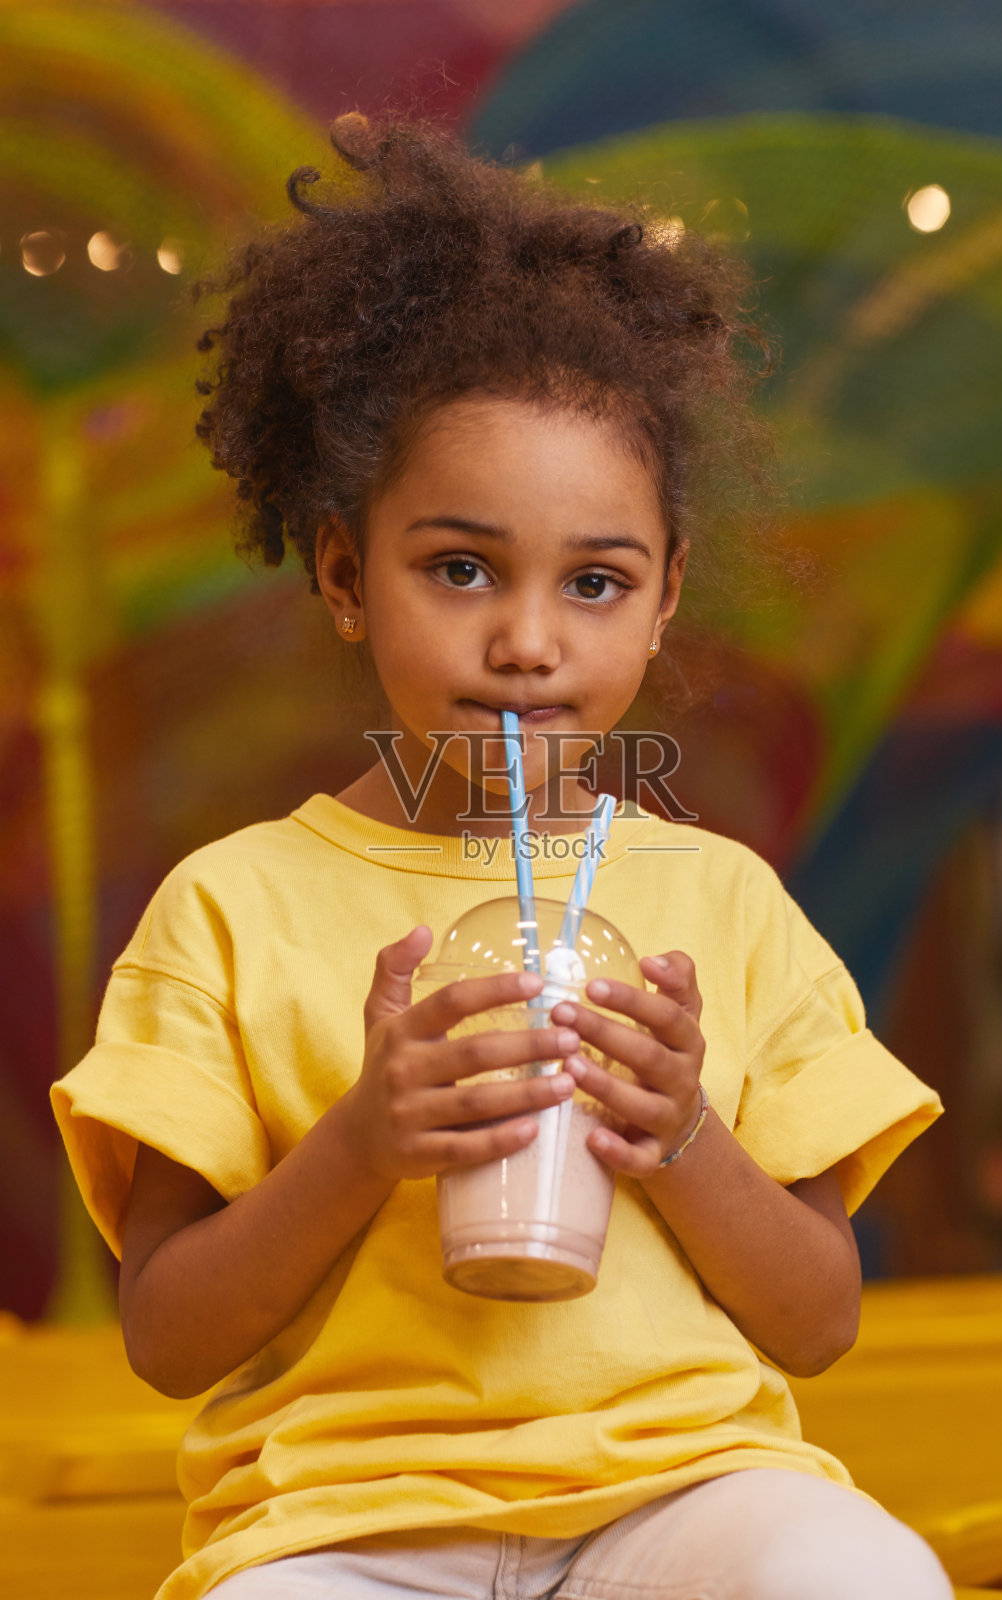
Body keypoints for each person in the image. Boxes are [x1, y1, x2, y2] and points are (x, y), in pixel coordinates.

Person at [51, 116, 953, 1600]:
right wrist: (362, 1141)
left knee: (858, 1575)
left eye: (594, 583)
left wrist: (680, 1135)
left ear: (663, 606)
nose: (529, 642)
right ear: (346, 574)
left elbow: (817, 1323)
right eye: (461, 567)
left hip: (679, 1499)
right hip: (348, 1530)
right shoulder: (230, 911)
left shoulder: (722, 905)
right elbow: (168, 1337)